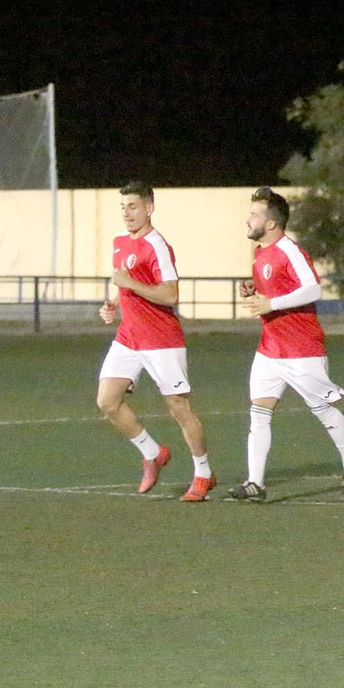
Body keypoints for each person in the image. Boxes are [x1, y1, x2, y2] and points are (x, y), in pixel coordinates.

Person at [228, 187, 344, 502]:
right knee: (259, 412)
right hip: (270, 348)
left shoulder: (290, 250)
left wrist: (270, 302)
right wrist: (253, 291)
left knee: (323, 410)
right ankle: (255, 483)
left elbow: (313, 289)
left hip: (302, 349)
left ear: (272, 224)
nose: (248, 219)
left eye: (255, 215)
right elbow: (272, 290)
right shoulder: (260, 251)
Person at [94, 181, 214, 501]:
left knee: (179, 410)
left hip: (161, 339)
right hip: (129, 337)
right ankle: (153, 452)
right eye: (123, 207)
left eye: (133, 206)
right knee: (107, 400)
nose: (127, 213)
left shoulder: (158, 245)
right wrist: (114, 305)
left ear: (149, 207)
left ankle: (203, 473)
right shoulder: (120, 242)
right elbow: (128, 286)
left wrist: (128, 282)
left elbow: (171, 294)